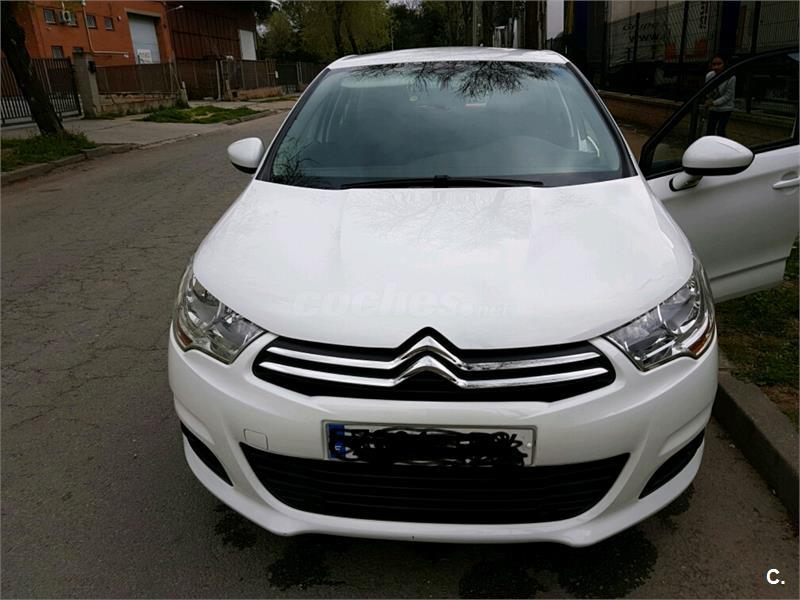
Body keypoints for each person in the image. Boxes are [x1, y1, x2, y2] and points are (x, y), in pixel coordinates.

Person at [704, 55, 735, 137]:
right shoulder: (709, 75)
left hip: (726, 108)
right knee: (710, 129)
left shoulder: (731, 77)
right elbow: (707, 90)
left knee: (720, 130)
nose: (716, 67)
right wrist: (709, 99)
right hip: (713, 108)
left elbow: (728, 95)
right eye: (714, 64)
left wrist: (713, 102)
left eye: (719, 64)